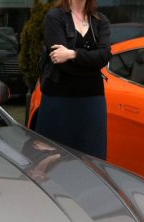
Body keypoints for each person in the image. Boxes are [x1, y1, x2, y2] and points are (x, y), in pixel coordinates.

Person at [34, 0, 111, 159]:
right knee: (53, 159)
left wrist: (72, 54)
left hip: (92, 101)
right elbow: (61, 64)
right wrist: (92, 63)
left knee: (92, 159)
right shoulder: (54, 18)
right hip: (59, 100)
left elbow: (104, 56)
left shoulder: (100, 21)